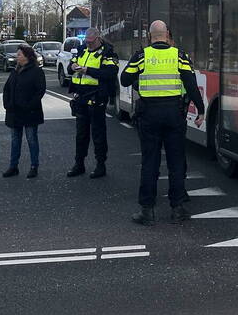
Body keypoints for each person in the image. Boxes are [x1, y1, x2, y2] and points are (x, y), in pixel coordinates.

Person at [121, 20, 205, 225]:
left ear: (150, 36)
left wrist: (141, 81)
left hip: (149, 114)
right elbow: (191, 85)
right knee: (176, 162)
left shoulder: (142, 56)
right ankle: (177, 209)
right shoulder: (179, 56)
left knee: (150, 162)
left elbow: (124, 79)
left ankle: (147, 211)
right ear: (167, 34)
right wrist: (201, 111)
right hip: (174, 114)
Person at [67, 28, 118, 179]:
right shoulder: (82, 50)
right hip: (81, 97)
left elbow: (110, 73)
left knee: (98, 134)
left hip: (97, 97)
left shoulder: (108, 53)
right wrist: (73, 67)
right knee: (81, 134)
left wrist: (87, 70)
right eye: (86, 42)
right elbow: (71, 65)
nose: (88, 45)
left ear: (98, 39)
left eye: (90, 42)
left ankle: (100, 165)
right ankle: (79, 164)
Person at [2, 45, 47, 178]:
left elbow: (40, 91)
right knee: (15, 140)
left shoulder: (37, 72)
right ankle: (13, 166)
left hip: (30, 112)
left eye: (19, 54)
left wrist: (29, 105)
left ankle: (34, 166)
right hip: (14, 112)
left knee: (32, 139)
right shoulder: (15, 71)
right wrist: (7, 104)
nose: (17, 57)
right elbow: (7, 89)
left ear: (27, 57)